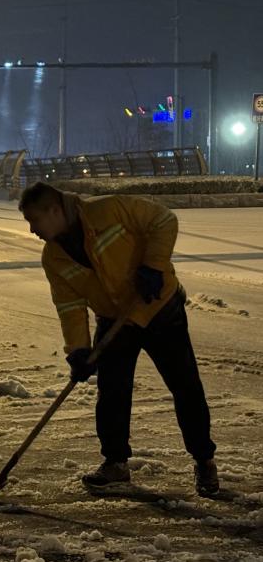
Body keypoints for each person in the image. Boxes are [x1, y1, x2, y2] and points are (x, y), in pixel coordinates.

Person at [18, 181, 219, 497]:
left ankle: (204, 459)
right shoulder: (53, 258)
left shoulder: (108, 209)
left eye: (34, 220)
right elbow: (69, 305)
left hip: (158, 307)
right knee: (112, 391)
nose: (32, 229)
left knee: (184, 385)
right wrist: (79, 350)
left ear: (54, 211)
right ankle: (115, 463)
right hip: (114, 319)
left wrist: (153, 266)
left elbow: (163, 219)